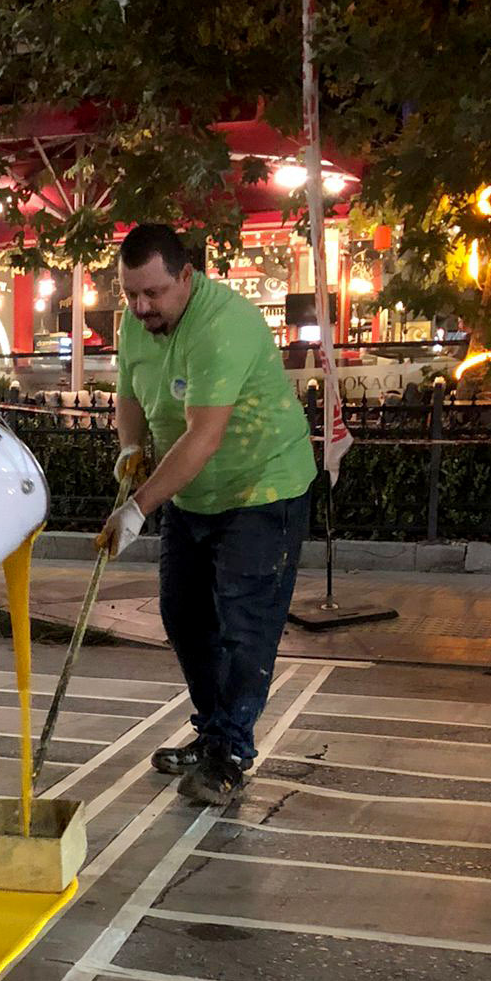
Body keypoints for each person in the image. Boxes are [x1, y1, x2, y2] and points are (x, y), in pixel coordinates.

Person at [98, 223, 316, 807]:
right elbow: (129, 392)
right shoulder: (136, 323)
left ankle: (229, 753)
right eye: (131, 294)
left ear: (187, 277)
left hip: (261, 489)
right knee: (184, 614)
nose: (142, 307)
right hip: (193, 496)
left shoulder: (222, 326)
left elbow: (203, 438)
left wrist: (138, 509)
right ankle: (213, 727)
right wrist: (129, 447)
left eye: (154, 294)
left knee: (246, 626)